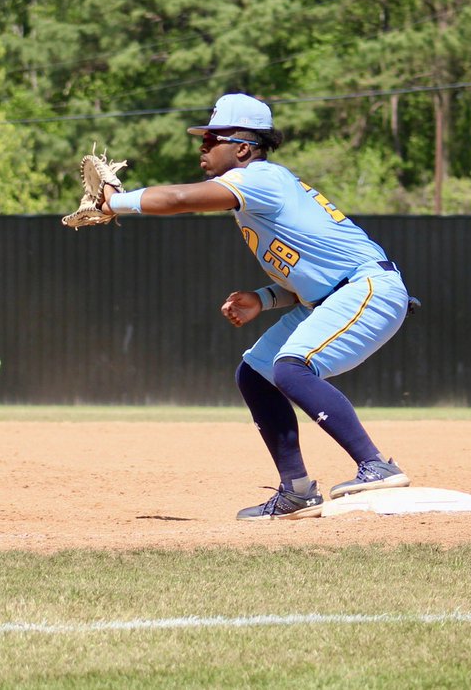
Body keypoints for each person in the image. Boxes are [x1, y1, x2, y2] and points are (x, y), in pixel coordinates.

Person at [98, 93, 412, 520]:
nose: (203, 146)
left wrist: (114, 200)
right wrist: (263, 299)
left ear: (243, 148)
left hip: (367, 287)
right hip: (334, 294)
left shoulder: (260, 178)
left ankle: (375, 465)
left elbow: (176, 200)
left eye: (213, 138)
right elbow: (309, 277)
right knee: (257, 373)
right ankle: (297, 492)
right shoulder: (254, 196)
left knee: (291, 366)